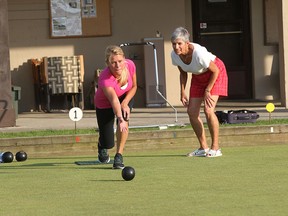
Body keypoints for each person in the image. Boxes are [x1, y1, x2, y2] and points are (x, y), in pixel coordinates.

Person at [170, 27, 228, 157]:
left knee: (208, 110)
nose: (176, 47)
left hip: (215, 73)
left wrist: (208, 90)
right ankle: (203, 148)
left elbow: (215, 71)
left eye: (179, 43)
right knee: (192, 112)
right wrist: (182, 92)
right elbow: (183, 72)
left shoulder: (199, 53)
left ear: (187, 43)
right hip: (198, 76)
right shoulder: (174, 55)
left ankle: (216, 148)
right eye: (174, 43)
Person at [94, 45, 137, 168]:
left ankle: (119, 155)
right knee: (108, 143)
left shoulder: (130, 65)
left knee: (124, 118)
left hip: (125, 98)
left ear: (124, 58)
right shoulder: (105, 78)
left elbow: (134, 86)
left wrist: (125, 104)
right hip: (105, 103)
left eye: (120, 61)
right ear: (108, 63)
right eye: (113, 62)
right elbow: (113, 100)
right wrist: (120, 119)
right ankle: (102, 144)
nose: (118, 65)